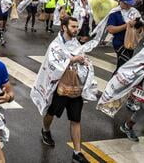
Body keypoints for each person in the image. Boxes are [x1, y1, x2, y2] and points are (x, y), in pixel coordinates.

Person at [31, 16, 98, 163]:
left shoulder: (76, 44)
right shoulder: (55, 45)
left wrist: (84, 62)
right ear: (64, 27)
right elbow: (53, 62)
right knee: (51, 113)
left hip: (75, 88)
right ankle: (45, 130)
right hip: (59, 89)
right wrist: (73, 59)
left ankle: (77, 152)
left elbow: (81, 59)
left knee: (76, 119)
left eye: (77, 26)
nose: (76, 29)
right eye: (73, 27)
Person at [106, 0, 143, 71]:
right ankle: (116, 81)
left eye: (130, 4)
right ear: (121, 2)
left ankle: (115, 81)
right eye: (127, 4)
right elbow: (110, 29)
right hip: (119, 43)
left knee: (123, 66)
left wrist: (138, 24)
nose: (129, 6)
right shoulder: (114, 13)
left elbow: (141, 28)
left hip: (131, 42)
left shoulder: (134, 12)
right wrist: (127, 25)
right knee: (125, 64)